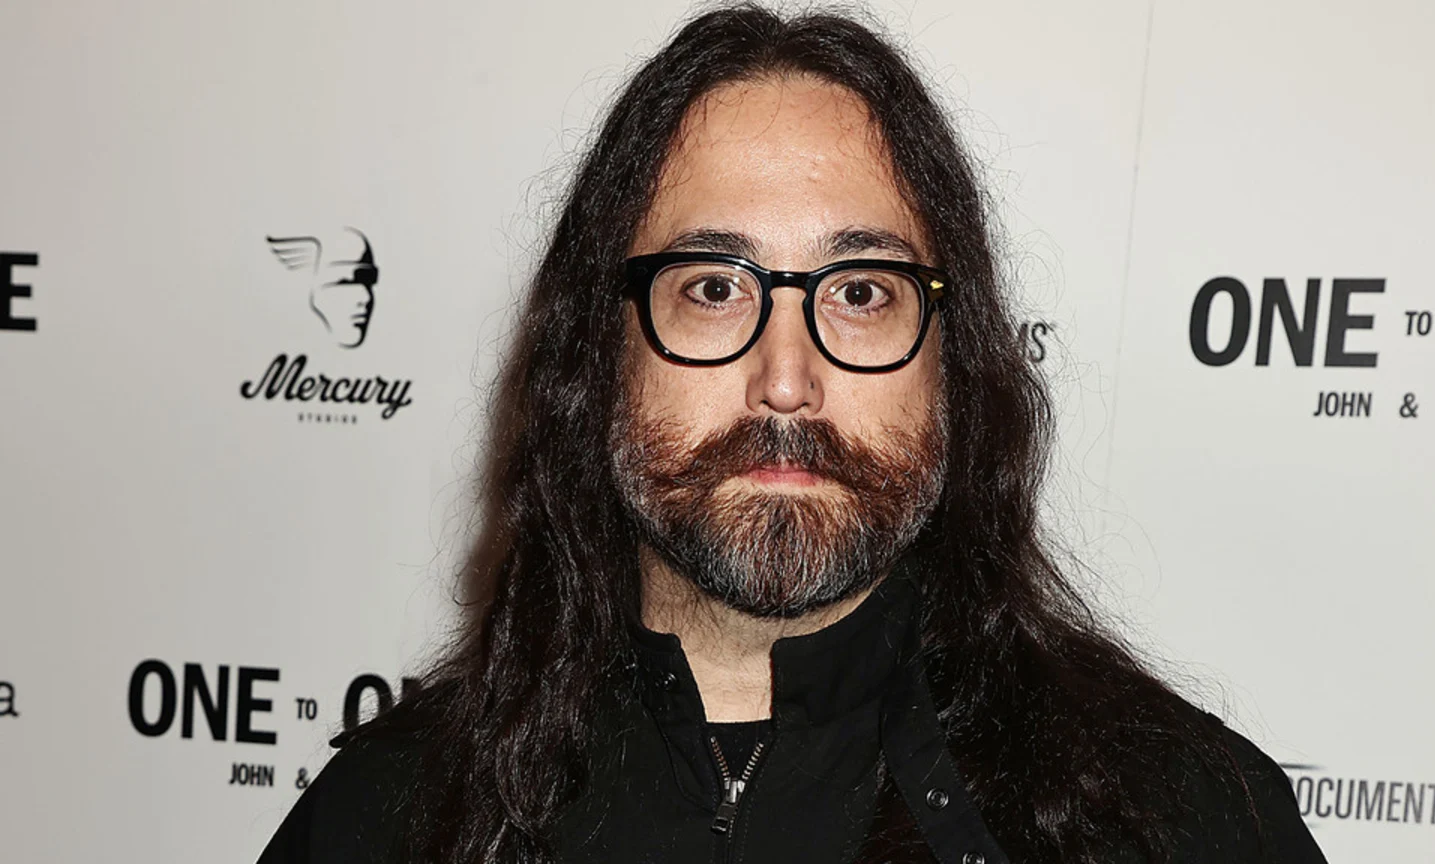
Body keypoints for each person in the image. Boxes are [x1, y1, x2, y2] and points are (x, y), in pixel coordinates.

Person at [258, 5, 1327, 863]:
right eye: (713, 287)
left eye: (860, 292)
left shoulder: (1181, 821)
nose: (786, 381)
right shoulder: (385, 818)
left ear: (953, 365)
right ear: (598, 354)